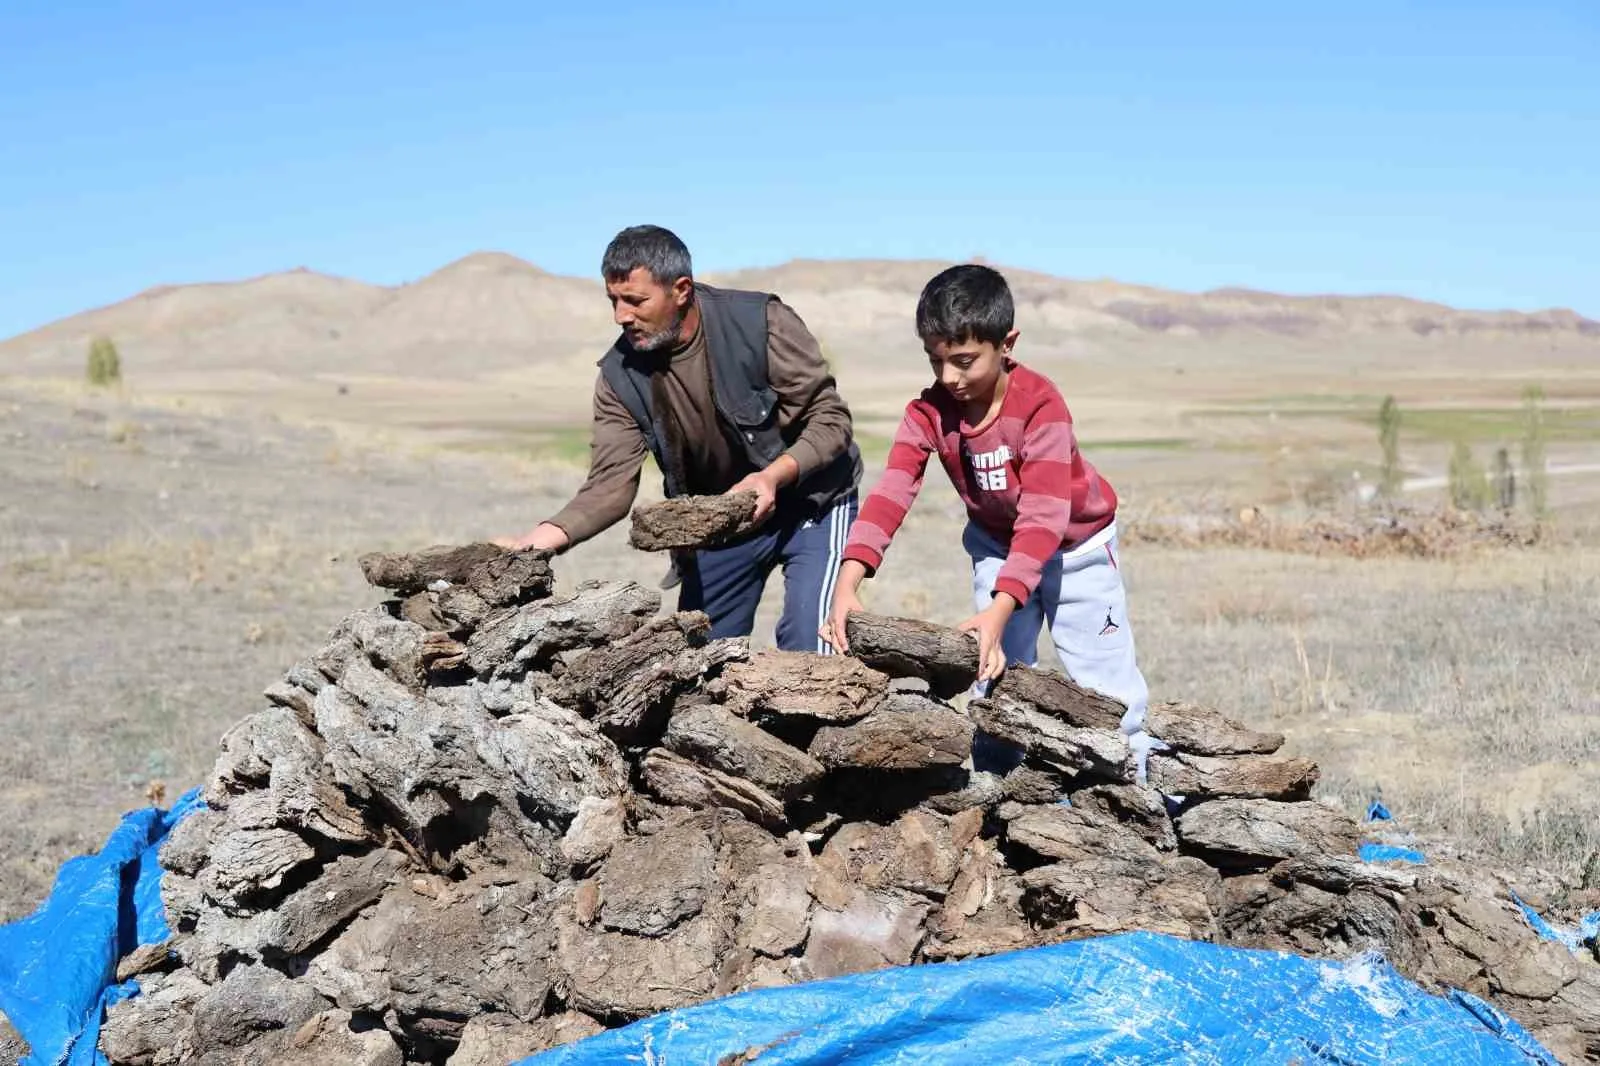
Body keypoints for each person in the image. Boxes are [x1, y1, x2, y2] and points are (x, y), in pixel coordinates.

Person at [820, 263, 1149, 741]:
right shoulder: (927, 413)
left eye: (965, 361)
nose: (949, 377)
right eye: (936, 361)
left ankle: (1132, 782)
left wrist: (999, 613)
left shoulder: (1040, 406)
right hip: (997, 547)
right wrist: (847, 582)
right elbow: (891, 494)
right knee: (993, 677)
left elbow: (1043, 518)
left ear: (1007, 344)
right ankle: (998, 799)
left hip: (1078, 551)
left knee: (1106, 689)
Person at [498, 224, 862, 652]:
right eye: (613, 301)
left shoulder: (759, 322)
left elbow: (830, 420)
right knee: (698, 663)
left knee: (811, 646)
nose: (621, 316)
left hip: (812, 501)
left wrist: (772, 478)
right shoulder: (619, 375)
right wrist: (535, 544)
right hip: (722, 519)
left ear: (681, 289)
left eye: (635, 300)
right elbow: (610, 485)